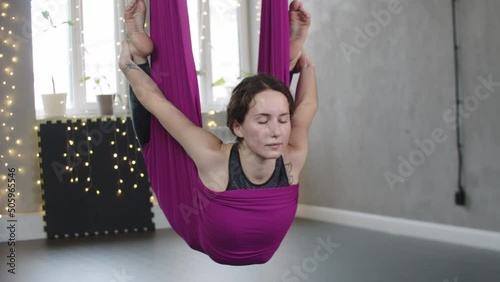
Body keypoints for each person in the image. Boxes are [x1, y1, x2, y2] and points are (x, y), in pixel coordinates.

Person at [119, 0, 316, 193]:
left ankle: (286, 64)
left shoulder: (293, 155)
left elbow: (307, 105)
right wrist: (129, 67)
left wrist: (305, 63)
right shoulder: (213, 157)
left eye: (283, 120)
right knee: (163, 141)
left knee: (271, 99)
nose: (276, 131)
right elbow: (158, 104)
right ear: (237, 126)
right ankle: (140, 56)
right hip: (192, 201)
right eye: (263, 121)